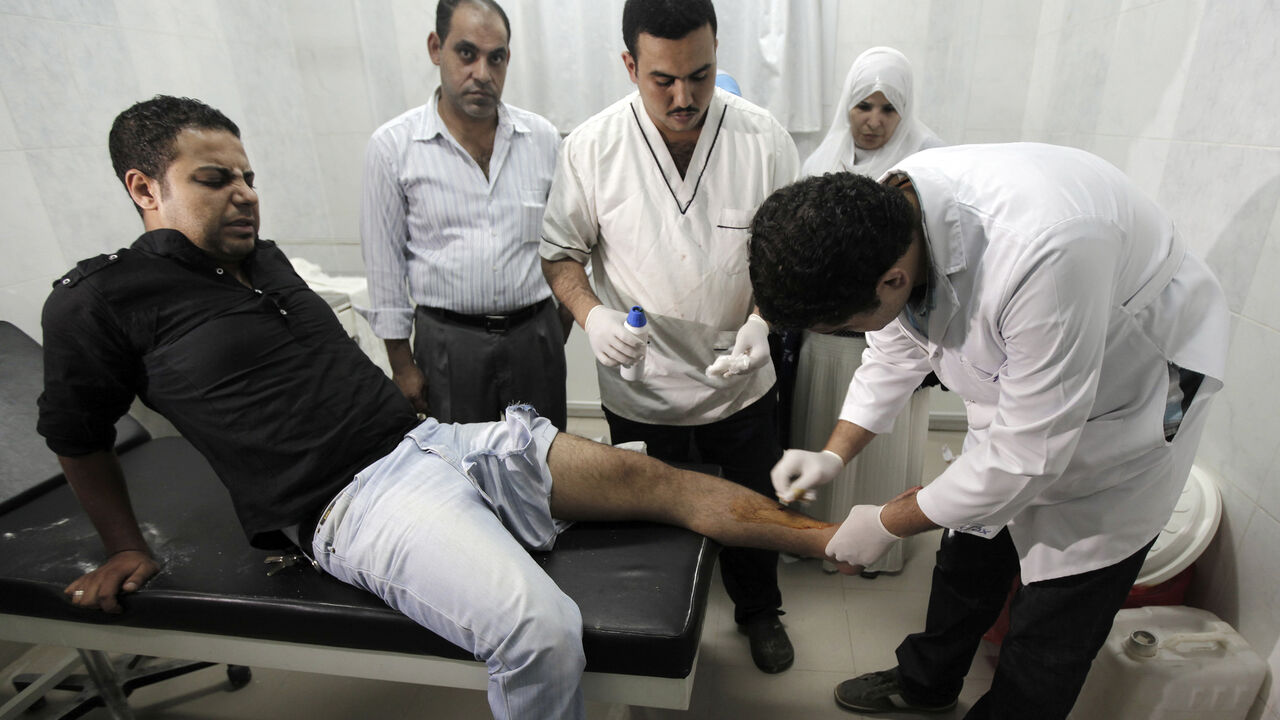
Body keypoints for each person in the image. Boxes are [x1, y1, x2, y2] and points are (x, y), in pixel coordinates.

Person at [37, 95, 848, 720]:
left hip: (436, 441)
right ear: (143, 187)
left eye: (249, 177)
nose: (245, 195)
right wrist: (123, 546)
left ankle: (838, 539)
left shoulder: (263, 259)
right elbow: (77, 434)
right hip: (350, 503)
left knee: (664, 480)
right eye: (216, 180)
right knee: (539, 631)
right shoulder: (100, 301)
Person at [750, 144, 1228, 718]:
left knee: (1056, 621)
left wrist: (887, 524)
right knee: (969, 553)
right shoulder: (888, 219)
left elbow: (1026, 454)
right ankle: (926, 683)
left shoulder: (1045, 250)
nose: (849, 332)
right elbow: (895, 350)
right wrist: (834, 454)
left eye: (842, 325)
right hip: (1028, 391)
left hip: (1129, 399)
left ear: (894, 279)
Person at [539, 0, 801, 674]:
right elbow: (561, 254)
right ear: (630, 65)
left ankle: (759, 610)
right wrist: (591, 315)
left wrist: (762, 321)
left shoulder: (763, 141)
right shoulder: (592, 148)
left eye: (701, 75)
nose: (685, 97)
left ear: (716, 54)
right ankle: (651, 633)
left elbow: (790, 258)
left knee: (751, 507)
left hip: (739, 379)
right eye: (663, 80)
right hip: (642, 387)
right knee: (648, 522)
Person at [360, 0, 569, 429]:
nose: (482, 73)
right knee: (458, 463)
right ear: (436, 48)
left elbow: (569, 239)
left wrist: (557, 322)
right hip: (448, 343)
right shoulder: (393, 148)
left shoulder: (543, 140)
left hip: (534, 333)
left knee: (545, 459)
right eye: (467, 53)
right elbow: (384, 265)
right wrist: (402, 364)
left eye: (496, 58)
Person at [787, 46, 945, 572]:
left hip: (901, 331)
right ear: (845, 106)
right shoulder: (820, 162)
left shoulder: (926, 164)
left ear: (906, 111)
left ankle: (878, 544)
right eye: (863, 106)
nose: (874, 121)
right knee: (826, 433)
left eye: (888, 108)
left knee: (884, 439)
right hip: (830, 338)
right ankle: (818, 539)